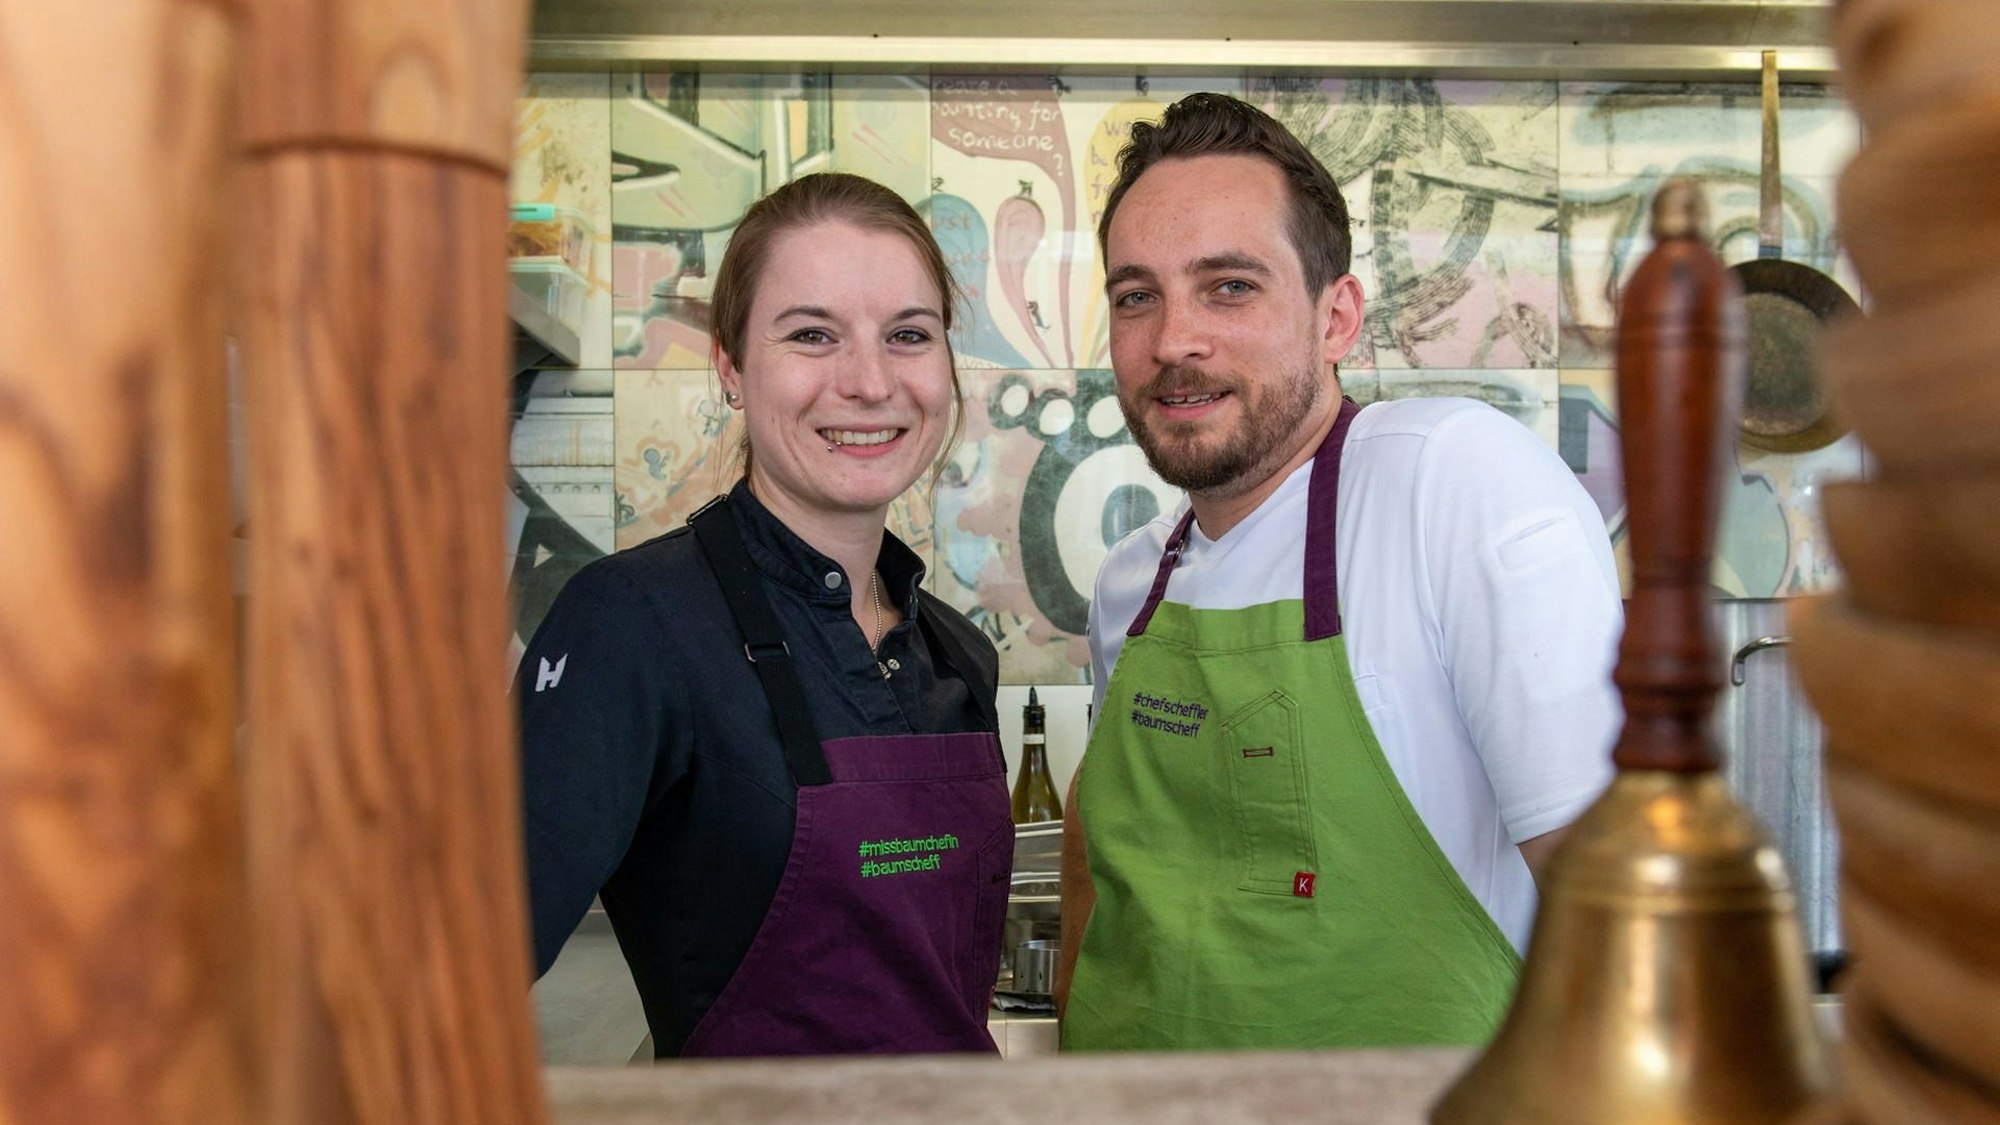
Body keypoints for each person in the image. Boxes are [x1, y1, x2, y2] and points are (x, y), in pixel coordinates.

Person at [1056, 94, 1623, 1050]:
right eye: (1135, 294)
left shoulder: (1451, 483)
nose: (1173, 340)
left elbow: (1620, 910)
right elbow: (1096, 874)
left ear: (1336, 318)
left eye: (1229, 285)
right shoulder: (1130, 583)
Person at [517, 173, 1012, 1059]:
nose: (869, 382)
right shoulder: (633, 624)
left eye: (908, 334)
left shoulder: (956, 651)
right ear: (730, 367)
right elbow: (453, 968)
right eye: (812, 335)